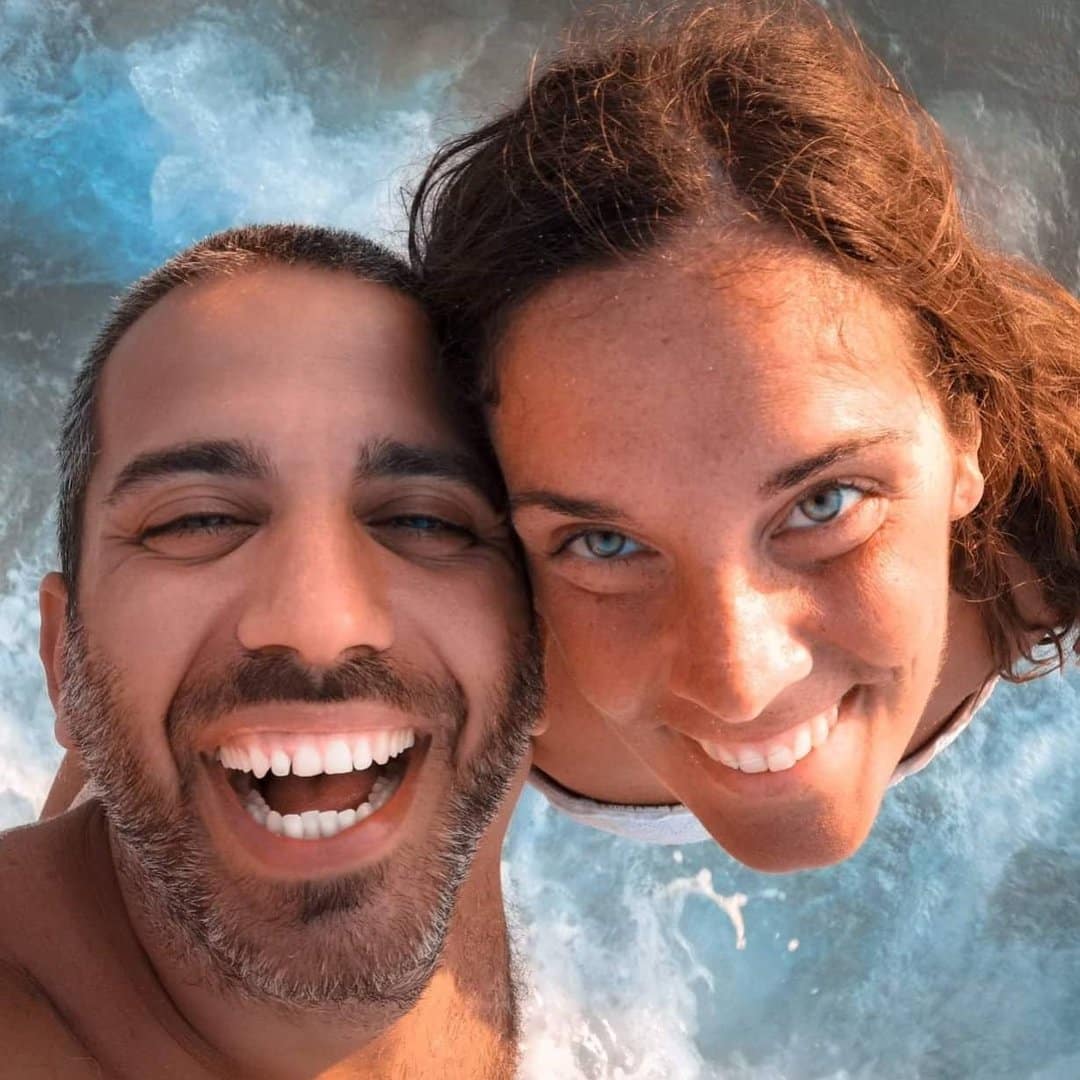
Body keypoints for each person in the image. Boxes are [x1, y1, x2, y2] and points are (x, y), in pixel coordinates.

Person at [410, 0, 1080, 871]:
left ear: (967, 432)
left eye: (824, 502)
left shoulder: (1048, 522)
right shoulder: (446, 675)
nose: (740, 683)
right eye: (603, 542)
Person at [2, 225, 542, 1078]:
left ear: (537, 639)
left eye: (420, 519)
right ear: (63, 664)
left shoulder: (480, 721)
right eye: (198, 521)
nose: (321, 624)